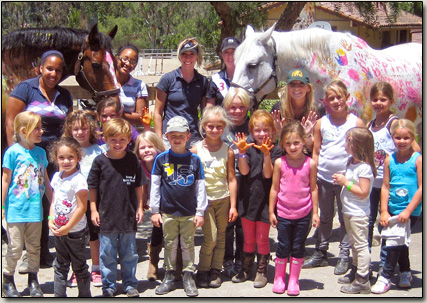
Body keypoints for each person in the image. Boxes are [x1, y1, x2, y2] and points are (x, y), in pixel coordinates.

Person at [5, 50, 73, 269]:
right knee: (31, 199)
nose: (54, 73)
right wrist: (16, 152)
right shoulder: (26, 89)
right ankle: (29, 252)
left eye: (58, 70)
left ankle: (45, 252)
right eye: (49, 68)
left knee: (51, 201)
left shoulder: (64, 95)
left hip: (55, 157)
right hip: (30, 155)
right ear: (40, 69)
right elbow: (10, 122)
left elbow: (68, 127)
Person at [303, 80, 364, 275]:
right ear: (326, 102)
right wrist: (313, 174)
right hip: (324, 178)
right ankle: (321, 252)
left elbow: (361, 154)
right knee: (325, 216)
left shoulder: (356, 122)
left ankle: (344, 255)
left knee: (345, 218)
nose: (336, 101)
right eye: (331, 98)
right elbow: (316, 151)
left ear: (347, 98)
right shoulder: (322, 123)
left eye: (340, 97)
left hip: (347, 181)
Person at [87, 118, 147, 297]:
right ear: (105, 139)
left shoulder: (133, 160)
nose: (118, 143)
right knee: (107, 254)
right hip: (106, 217)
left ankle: (130, 284)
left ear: (129, 139)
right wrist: (93, 210)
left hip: (128, 215)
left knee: (129, 254)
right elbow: (92, 187)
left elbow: (139, 185)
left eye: (122, 139)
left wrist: (140, 207)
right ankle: (109, 285)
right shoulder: (99, 162)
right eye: (113, 139)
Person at [150, 116, 208, 297]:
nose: (177, 139)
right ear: (166, 136)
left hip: (189, 212)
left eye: (181, 135)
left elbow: (200, 187)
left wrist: (200, 211)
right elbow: (155, 186)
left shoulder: (194, 160)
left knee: (188, 244)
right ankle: (169, 274)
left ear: (188, 136)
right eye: (172, 135)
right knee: (170, 243)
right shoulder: (161, 159)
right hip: (168, 211)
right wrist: (154, 210)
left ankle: (188, 275)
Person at [366, 82, 421, 265]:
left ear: (391, 101)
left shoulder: (395, 123)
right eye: (375, 99)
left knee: (388, 226)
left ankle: (387, 265)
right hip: (371, 183)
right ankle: (364, 262)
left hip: (389, 186)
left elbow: (415, 150)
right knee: (368, 223)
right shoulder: (370, 124)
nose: (378, 103)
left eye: (383, 99)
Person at [2, 111, 52, 297]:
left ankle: (33, 280)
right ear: (24, 131)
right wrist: (1, 207)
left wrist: (53, 202)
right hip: (15, 210)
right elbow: (5, 180)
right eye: (37, 128)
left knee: (34, 247)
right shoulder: (13, 152)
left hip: (35, 210)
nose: (41, 131)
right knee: (15, 247)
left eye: (41, 127)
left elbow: (45, 180)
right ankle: (7, 280)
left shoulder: (40, 153)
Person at [371, 119, 422, 294]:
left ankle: (385, 276)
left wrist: (408, 210)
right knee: (401, 242)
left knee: (394, 241)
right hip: (393, 208)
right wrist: (384, 210)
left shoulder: (418, 160)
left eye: (406, 138)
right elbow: (385, 186)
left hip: (410, 210)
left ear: (413, 138)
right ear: (392, 138)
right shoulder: (389, 160)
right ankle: (405, 272)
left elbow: (422, 188)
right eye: (398, 138)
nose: (401, 141)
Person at [231, 110, 281, 288]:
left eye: (265, 130)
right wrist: (242, 152)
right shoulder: (249, 147)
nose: (261, 134)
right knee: (248, 238)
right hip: (248, 199)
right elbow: (244, 171)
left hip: (265, 201)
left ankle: (262, 270)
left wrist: (267, 154)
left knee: (262, 238)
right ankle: (246, 269)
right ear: (251, 131)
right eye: (257, 130)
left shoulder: (276, 150)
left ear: (272, 130)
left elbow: (268, 174)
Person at [269, 121, 319, 296]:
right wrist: (271, 212)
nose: (292, 147)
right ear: (282, 144)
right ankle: (279, 278)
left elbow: (313, 188)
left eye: (296, 142)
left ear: (304, 141)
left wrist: (315, 212)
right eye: (288, 143)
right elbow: (274, 188)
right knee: (283, 246)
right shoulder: (279, 163)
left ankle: (293, 279)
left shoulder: (310, 163)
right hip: (283, 213)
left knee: (298, 247)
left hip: (303, 213)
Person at [191, 106, 238, 288]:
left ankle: (215, 270)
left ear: (224, 127)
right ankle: (202, 270)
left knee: (221, 237)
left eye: (219, 126)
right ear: (203, 126)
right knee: (210, 237)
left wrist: (233, 206)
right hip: (204, 202)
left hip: (223, 199)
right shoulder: (195, 150)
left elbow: (231, 179)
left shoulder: (228, 151)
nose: (215, 130)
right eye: (210, 126)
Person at [62, 110, 104, 288]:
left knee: (94, 236)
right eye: (76, 129)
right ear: (70, 130)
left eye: (84, 128)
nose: (80, 132)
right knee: (75, 237)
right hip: (72, 203)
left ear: (91, 130)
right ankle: (78, 270)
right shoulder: (66, 152)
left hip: (94, 201)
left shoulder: (99, 150)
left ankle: (96, 268)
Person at [332, 128, 376, 294]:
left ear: (356, 145)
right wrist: (342, 178)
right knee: (353, 244)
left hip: (358, 213)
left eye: (347, 141)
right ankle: (356, 270)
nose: (344, 144)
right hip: (348, 210)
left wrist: (345, 182)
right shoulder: (351, 162)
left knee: (361, 245)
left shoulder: (365, 168)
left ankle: (363, 279)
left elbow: (363, 192)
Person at [47, 137, 91, 297]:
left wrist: (68, 227)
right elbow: (53, 201)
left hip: (76, 233)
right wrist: (50, 219)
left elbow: (82, 208)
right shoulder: (57, 177)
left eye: (71, 157)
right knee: (60, 265)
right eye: (62, 158)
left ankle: (85, 296)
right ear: (55, 159)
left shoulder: (78, 180)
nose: (66, 161)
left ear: (78, 158)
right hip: (59, 230)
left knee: (79, 266)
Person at [154, 37, 212, 149]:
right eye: (184, 54)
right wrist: (159, 140)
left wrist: (206, 136)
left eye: (192, 54)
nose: (188, 58)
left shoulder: (203, 81)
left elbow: (205, 112)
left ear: (197, 56)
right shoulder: (168, 79)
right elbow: (157, 112)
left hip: (193, 136)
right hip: (170, 136)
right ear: (179, 56)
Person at [221, 87, 250, 277]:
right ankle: (227, 260)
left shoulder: (252, 125)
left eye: (241, 107)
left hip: (248, 182)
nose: (237, 112)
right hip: (226, 182)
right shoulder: (221, 126)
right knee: (227, 224)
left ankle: (242, 259)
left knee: (242, 225)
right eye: (232, 107)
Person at [133, 131, 166, 281]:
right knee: (157, 228)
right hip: (155, 201)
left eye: (150, 146)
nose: (146, 150)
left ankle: (176, 264)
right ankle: (153, 262)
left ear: (157, 147)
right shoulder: (140, 164)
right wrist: (144, 199)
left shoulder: (164, 161)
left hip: (168, 199)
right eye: (142, 147)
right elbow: (143, 181)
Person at [271, 68, 318, 153]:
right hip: (284, 155)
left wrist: (305, 136)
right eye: (292, 84)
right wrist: (279, 134)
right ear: (287, 88)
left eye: (301, 84)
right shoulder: (278, 109)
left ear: (308, 88)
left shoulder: (317, 109)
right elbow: (272, 145)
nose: (296, 88)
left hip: (309, 157)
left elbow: (316, 149)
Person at [115, 45, 149, 126]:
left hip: (129, 132)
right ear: (116, 58)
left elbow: (141, 117)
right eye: (125, 59)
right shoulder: (106, 83)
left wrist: (119, 114)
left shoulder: (139, 85)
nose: (128, 63)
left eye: (133, 62)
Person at [206, 37, 240, 106]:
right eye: (226, 52)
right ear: (222, 54)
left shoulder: (247, 78)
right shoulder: (216, 79)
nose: (230, 56)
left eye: (234, 52)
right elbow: (210, 107)